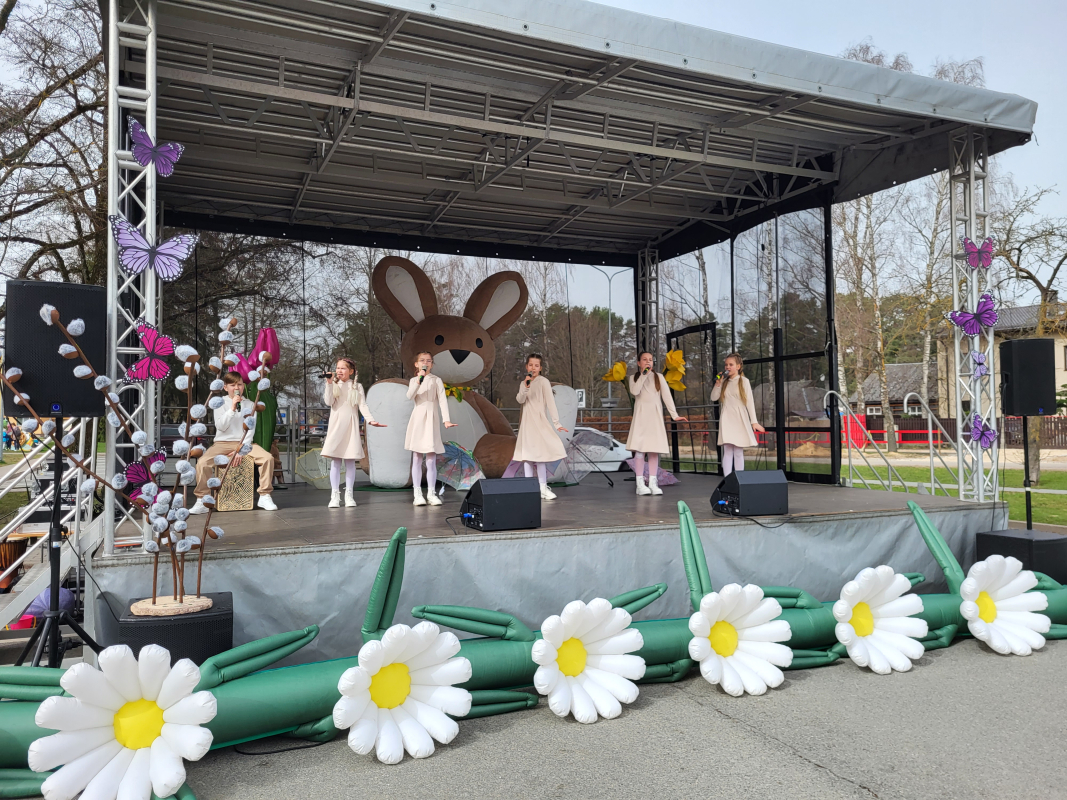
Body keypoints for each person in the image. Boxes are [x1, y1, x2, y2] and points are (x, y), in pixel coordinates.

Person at [190, 372, 277, 513]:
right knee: (203, 462)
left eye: (240, 384)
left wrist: (241, 450)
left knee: (267, 458)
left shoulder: (250, 404)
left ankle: (265, 495)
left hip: (244, 443)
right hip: (222, 443)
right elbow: (221, 426)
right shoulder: (220, 403)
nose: (237, 387)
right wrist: (232, 408)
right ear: (225, 387)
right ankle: (202, 499)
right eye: (233, 385)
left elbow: (250, 429)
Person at [322, 357, 386, 509]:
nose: (339, 371)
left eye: (343, 368)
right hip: (336, 425)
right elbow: (328, 401)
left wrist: (371, 420)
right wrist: (329, 383)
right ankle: (334, 495)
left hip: (350, 424)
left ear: (351, 371)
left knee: (350, 461)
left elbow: (362, 405)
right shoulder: (333, 384)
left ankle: (349, 494)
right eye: (338, 368)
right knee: (336, 461)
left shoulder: (356, 387)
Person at [626, 351, 688, 495]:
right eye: (645, 360)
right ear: (639, 363)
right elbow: (635, 391)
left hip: (655, 416)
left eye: (651, 360)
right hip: (641, 417)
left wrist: (674, 415)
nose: (648, 362)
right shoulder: (633, 378)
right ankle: (640, 483)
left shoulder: (659, 377)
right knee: (640, 451)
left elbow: (667, 397)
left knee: (653, 450)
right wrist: (643, 375)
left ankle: (653, 482)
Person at [513, 353, 568, 500]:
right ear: (526, 366)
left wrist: (557, 423)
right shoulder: (524, 382)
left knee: (540, 457)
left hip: (539, 421)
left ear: (541, 368)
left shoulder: (544, 382)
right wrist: (525, 386)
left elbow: (550, 403)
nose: (533, 368)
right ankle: (529, 488)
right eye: (531, 365)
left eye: (536, 365)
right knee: (527, 457)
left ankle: (542, 487)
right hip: (527, 423)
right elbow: (520, 399)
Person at [405, 351, 456, 506]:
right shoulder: (414, 380)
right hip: (418, 418)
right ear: (416, 364)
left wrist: (446, 420)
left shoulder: (436, 380)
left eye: (428, 361)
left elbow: (442, 400)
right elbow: (409, 396)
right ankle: (417, 493)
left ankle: (432, 493)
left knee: (432, 458)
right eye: (422, 360)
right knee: (417, 457)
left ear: (432, 364)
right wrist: (419, 380)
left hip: (432, 419)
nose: (425, 363)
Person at [710, 352, 765, 476]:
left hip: (740, 417)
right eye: (726, 365)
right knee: (728, 450)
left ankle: (739, 478)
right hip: (727, 417)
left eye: (731, 364)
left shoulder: (744, 381)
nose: (728, 367)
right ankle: (727, 478)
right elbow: (714, 397)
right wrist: (718, 384)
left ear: (738, 366)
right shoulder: (724, 382)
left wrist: (754, 421)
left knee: (738, 451)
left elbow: (749, 402)